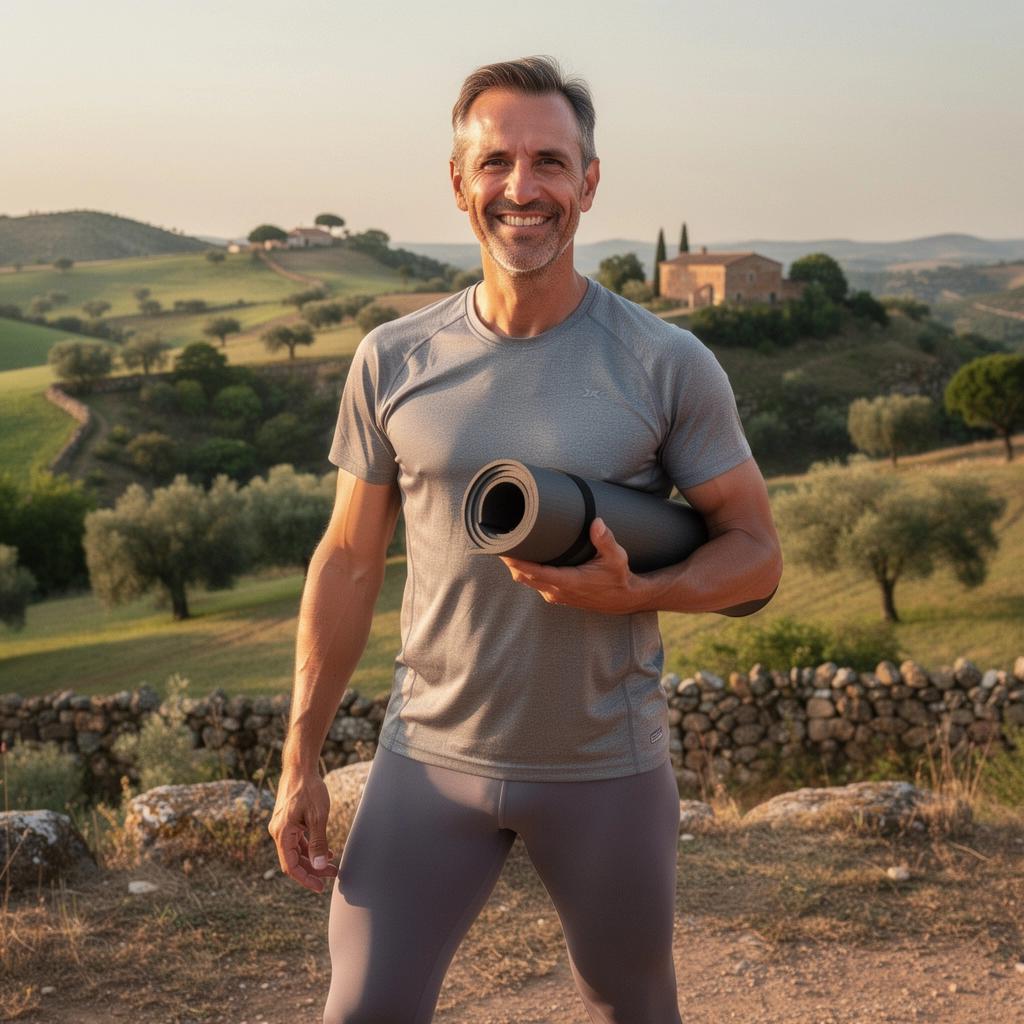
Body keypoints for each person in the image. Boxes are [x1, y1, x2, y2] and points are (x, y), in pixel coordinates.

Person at [268, 55, 783, 1024]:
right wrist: (299, 759)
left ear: (588, 181)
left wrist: (637, 593)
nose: (522, 186)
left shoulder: (667, 363)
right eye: (495, 160)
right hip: (427, 758)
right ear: (458, 182)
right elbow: (344, 561)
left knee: (635, 1007)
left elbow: (756, 553)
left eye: (549, 160)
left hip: (605, 768)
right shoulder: (393, 358)